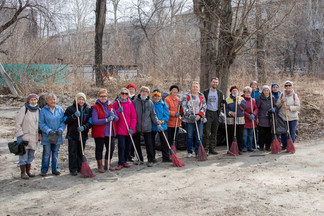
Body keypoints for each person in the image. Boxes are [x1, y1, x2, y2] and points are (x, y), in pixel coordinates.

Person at [64, 93, 92, 176]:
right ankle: (73, 169)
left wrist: (84, 127)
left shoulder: (87, 110)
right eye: (79, 99)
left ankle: (80, 167)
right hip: (72, 134)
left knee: (81, 152)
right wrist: (73, 116)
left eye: (83, 99)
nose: (81, 101)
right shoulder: (70, 109)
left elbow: (90, 122)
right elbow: (65, 120)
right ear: (76, 100)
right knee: (72, 152)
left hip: (83, 134)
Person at [133, 86, 162, 167]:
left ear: (148, 93)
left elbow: (153, 115)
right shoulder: (135, 101)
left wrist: (157, 124)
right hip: (137, 126)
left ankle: (150, 159)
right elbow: (132, 114)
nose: (144, 92)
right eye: (143, 91)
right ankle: (140, 159)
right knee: (136, 144)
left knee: (149, 144)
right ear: (140, 92)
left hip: (147, 127)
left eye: (146, 91)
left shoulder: (150, 102)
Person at [92, 89, 119, 173]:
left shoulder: (110, 106)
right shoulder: (95, 107)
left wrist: (113, 116)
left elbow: (117, 119)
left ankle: (108, 164)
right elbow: (95, 121)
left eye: (105, 96)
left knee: (110, 148)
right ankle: (100, 166)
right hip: (100, 132)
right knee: (99, 149)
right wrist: (106, 120)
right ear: (98, 97)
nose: (103, 98)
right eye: (101, 96)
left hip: (110, 131)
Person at [39, 93, 65, 176]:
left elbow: (63, 122)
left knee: (55, 152)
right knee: (46, 153)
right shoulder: (43, 110)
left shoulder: (60, 109)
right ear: (47, 101)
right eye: (50, 99)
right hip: (47, 135)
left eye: (54, 99)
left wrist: (61, 129)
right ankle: (44, 170)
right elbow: (41, 123)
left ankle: (55, 169)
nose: (52, 101)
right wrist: (48, 130)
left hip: (57, 135)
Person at [15, 94, 40, 179]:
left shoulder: (38, 110)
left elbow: (39, 124)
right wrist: (20, 135)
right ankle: (23, 172)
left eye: (35, 100)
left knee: (31, 154)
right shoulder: (24, 109)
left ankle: (28, 171)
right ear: (28, 101)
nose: (33, 101)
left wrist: (40, 135)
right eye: (32, 100)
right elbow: (18, 123)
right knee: (23, 154)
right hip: (25, 135)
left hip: (34, 137)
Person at [181, 81, 207, 158]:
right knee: (189, 135)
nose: (195, 88)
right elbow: (184, 107)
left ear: (198, 87)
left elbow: (204, 106)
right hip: (190, 119)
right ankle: (189, 151)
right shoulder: (186, 96)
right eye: (193, 86)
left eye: (196, 86)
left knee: (199, 136)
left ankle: (197, 151)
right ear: (191, 87)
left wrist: (199, 115)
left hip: (199, 118)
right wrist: (190, 115)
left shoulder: (201, 95)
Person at [113, 88, 137, 170]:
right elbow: (114, 116)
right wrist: (118, 111)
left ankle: (125, 161)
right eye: (122, 93)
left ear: (128, 95)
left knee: (128, 146)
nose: (124, 95)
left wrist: (132, 128)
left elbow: (134, 117)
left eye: (126, 94)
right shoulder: (116, 104)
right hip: (120, 129)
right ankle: (120, 162)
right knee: (121, 146)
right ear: (120, 94)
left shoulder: (130, 104)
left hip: (129, 129)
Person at [276, 81, 300, 150]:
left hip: (292, 117)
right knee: (284, 132)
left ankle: (291, 145)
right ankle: (285, 145)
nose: (288, 87)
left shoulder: (294, 95)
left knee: (292, 132)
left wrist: (290, 108)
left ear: (291, 86)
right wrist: (281, 101)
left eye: (289, 85)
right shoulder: (281, 95)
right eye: (286, 86)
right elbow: (277, 105)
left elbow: (298, 107)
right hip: (283, 117)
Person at [203, 77, 224, 155]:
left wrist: (223, 103)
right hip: (208, 112)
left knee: (214, 132)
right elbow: (203, 102)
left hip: (216, 113)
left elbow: (221, 103)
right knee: (207, 132)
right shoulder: (206, 92)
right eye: (213, 82)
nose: (215, 83)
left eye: (216, 82)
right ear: (211, 83)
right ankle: (206, 149)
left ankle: (212, 148)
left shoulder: (220, 93)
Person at [151, 89, 171, 162]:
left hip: (162, 126)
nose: (156, 98)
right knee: (151, 143)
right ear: (153, 97)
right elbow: (149, 115)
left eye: (158, 96)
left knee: (165, 142)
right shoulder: (150, 104)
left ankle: (166, 157)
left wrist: (161, 121)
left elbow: (166, 115)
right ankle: (152, 158)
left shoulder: (163, 104)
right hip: (153, 126)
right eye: (155, 96)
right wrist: (155, 122)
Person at [225, 86, 246, 154]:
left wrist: (239, 101)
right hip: (231, 120)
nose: (235, 92)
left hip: (240, 120)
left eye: (236, 90)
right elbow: (225, 109)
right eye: (233, 90)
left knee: (240, 134)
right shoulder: (227, 99)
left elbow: (244, 107)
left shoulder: (241, 99)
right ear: (231, 92)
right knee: (231, 134)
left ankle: (240, 149)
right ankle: (231, 148)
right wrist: (231, 113)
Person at [256, 85, 275, 151]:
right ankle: (261, 146)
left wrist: (273, 109)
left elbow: (275, 106)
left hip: (269, 118)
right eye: (264, 90)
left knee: (269, 133)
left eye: (267, 90)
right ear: (262, 91)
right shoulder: (260, 98)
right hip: (262, 117)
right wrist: (257, 117)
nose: (266, 92)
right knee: (262, 133)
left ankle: (268, 146)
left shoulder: (272, 98)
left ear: (269, 91)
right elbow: (257, 108)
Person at [242, 87, 258, 152]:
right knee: (245, 135)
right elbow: (242, 110)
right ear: (244, 93)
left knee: (251, 135)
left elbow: (256, 108)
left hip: (252, 120)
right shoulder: (242, 100)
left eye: (249, 92)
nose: (248, 94)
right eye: (246, 92)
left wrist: (254, 114)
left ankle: (250, 146)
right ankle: (244, 146)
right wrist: (248, 115)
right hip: (245, 120)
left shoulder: (253, 100)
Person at [126, 83, 137, 162]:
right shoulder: (122, 97)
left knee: (133, 139)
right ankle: (125, 155)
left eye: (132, 89)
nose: (131, 90)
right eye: (130, 89)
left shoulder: (136, 99)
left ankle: (131, 155)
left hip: (134, 121)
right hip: (125, 121)